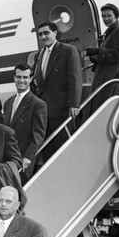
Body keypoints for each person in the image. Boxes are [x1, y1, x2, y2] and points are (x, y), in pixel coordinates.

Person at [32, 21, 82, 157]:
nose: (43, 37)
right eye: (40, 34)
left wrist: (74, 104)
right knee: (48, 150)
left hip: (62, 109)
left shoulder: (68, 50)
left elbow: (75, 79)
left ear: (55, 33)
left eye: (46, 33)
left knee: (65, 150)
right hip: (44, 111)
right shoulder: (39, 55)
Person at [3, 64, 47, 183]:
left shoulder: (38, 104)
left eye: (25, 77)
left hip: (23, 159)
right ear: (14, 78)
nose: (21, 80)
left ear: (31, 79)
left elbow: (38, 135)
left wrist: (28, 157)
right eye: (18, 77)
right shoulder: (8, 103)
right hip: (6, 158)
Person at [84, 4, 119, 114]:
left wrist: (99, 52)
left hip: (112, 77)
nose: (106, 19)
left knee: (106, 109)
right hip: (105, 76)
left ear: (116, 16)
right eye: (103, 16)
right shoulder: (111, 30)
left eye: (109, 16)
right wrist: (97, 57)